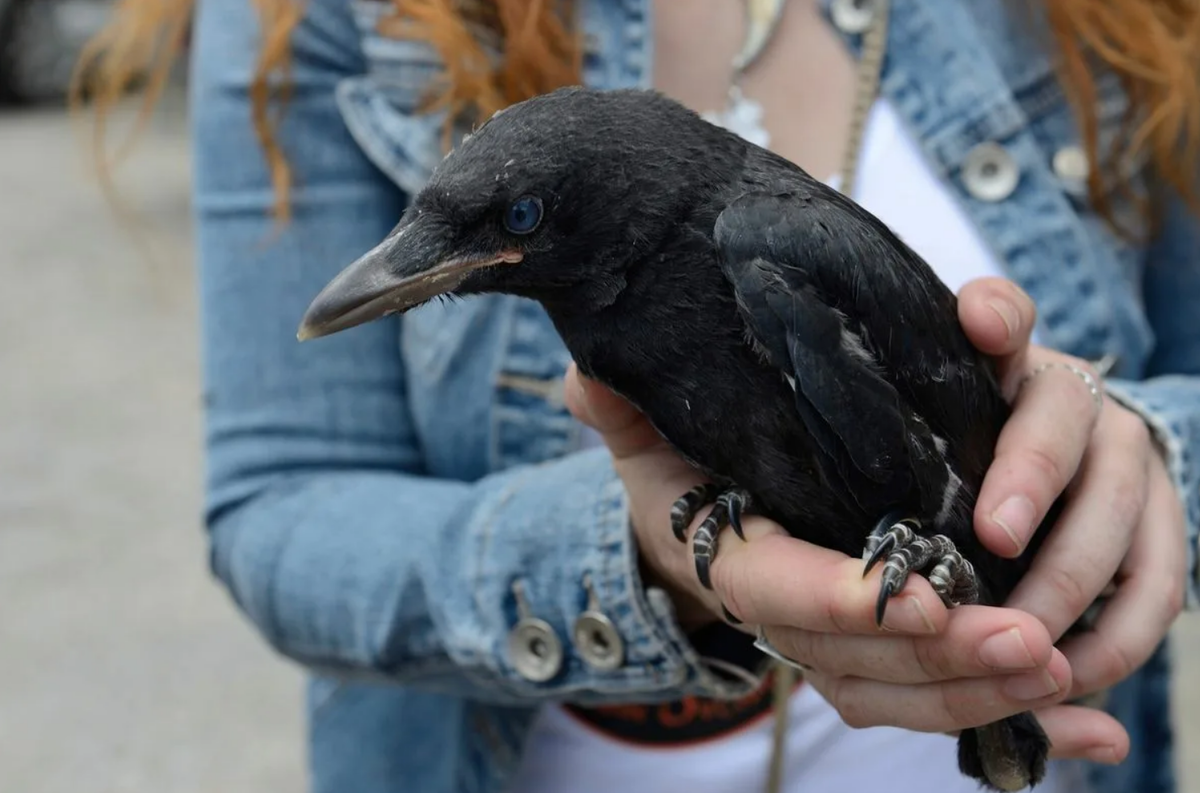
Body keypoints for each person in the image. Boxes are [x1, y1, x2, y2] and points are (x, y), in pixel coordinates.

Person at [79, 1, 1197, 792]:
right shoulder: (323, 19)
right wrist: (643, 555)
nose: (421, 266)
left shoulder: (762, 243)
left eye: (511, 227)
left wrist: (1148, 450)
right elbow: (281, 510)